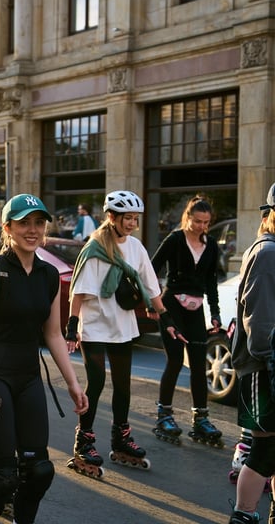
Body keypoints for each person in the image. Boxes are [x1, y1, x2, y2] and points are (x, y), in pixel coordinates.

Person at [0, 193, 88, 522]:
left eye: (38, 223)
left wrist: (75, 385)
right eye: (23, 223)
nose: (32, 230)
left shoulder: (49, 275)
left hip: (28, 377)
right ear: (8, 227)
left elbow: (53, 335)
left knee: (39, 471)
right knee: (1, 475)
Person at [66, 190, 182, 478]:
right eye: (127, 218)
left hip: (122, 324)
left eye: (134, 218)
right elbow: (79, 291)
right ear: (111, 217)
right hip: (94, 325)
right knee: (95, 383)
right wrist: (72, 327)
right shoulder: (94, 248)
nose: (131, 223)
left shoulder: (136, 248)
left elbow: (151, 286)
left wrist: (166, 318)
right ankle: (85, 440)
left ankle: (121, 437)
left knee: (123, 384)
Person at [150, 195, 224, 446]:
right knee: (173, 360)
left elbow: (211, 281)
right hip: (172, 305)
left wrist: (215, 313)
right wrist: (157, 302)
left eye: (206, 222)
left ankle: (201, 419)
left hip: (196, 308)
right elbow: (152, 268)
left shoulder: (211, 245)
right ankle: (164, 415)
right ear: (188, 218)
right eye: (197, 221)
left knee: (197, 362)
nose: (202, 226)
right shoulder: (175, 239)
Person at [228, 182, 275, 524]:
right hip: (261, 368)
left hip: (267, 365)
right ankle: (243, 517)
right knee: (264, 450)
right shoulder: (268, 253)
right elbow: (259, 329)